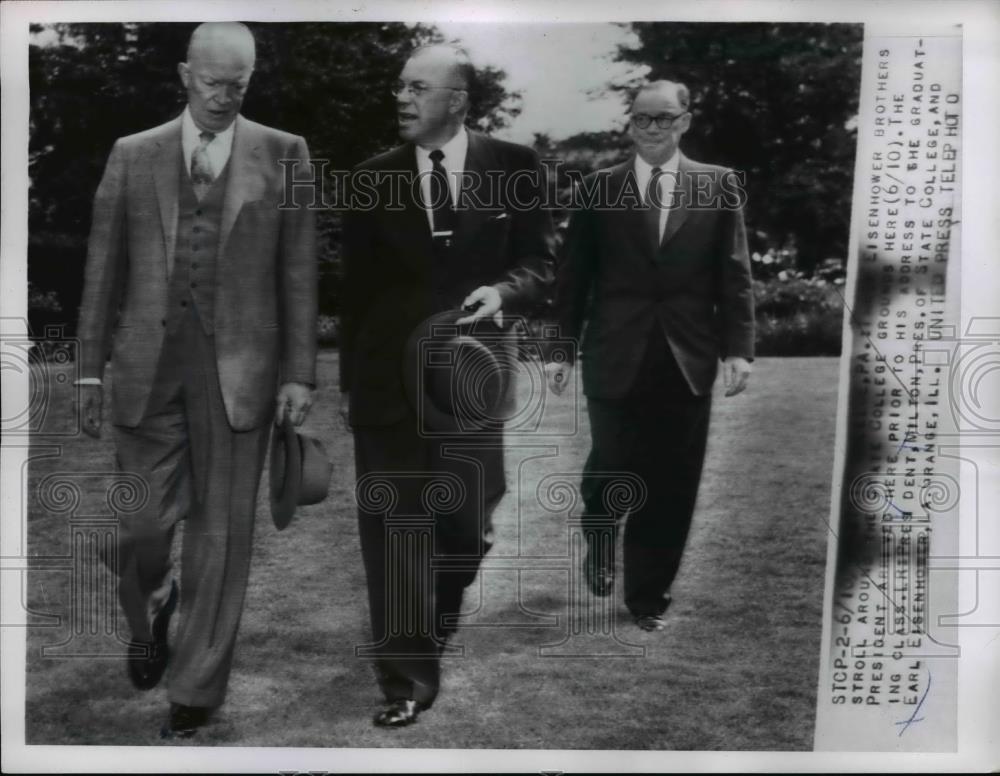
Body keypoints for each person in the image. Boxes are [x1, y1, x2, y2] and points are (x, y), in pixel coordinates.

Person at [75, 22, 316, 738]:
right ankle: (148, 602)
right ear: (185, 75)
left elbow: (299, 274)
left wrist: (300, 373)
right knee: (141, 525)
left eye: (238, 85)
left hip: (241, 377)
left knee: (223, 538)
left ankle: (197, 687)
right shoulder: (133, 154)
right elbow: (100, 273)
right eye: (213, 82)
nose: (224, 97)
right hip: (145, 374)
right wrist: (88, 376)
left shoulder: (286, 153)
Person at [340, 44, 554, 727]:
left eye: (418, 87)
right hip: (388, 384)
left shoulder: (515, 167)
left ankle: (438, 607)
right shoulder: (370, 179)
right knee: (397, 527)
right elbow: (355, 295)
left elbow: (539, 265)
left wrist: (504, 290)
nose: (401, 98)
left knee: (465, 519)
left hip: (471, 378)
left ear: (458, 100)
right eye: (399, 86)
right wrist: (352, 387)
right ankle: (405, 677)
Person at [546, 79, 754, 633]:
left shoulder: (719, 186)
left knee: (671, 480)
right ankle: (599, 521)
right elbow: (573, 278)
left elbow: (735, 278)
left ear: (686, 121)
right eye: (642, 119)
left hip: (687, 356)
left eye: (664, 118)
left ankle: (647, 596)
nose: (652, 129)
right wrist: (560, 349)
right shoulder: (598, 188)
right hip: (613, 350)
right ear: (629, 124)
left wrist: (739, 350)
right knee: (616, 461)